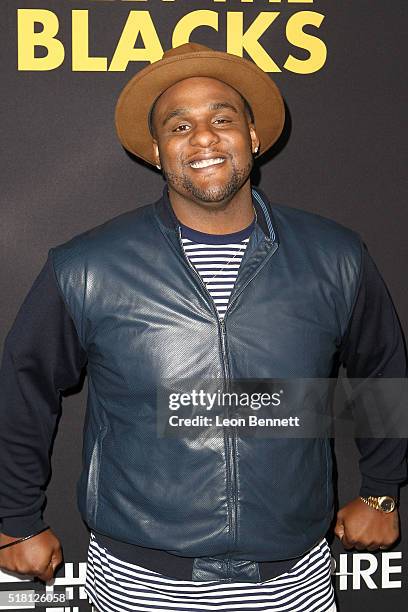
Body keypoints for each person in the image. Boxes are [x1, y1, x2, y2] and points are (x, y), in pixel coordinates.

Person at [0, 43, 406, 612]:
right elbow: (24, 387)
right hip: (137, 579)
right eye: (179, 125)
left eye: (222, 118)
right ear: (156, 152)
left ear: (254, 136)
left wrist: (382, 492)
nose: (204, 138)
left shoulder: (336, 256)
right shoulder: (88, 266)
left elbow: (381, 370)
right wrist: (17, 519)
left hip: (292, 579)